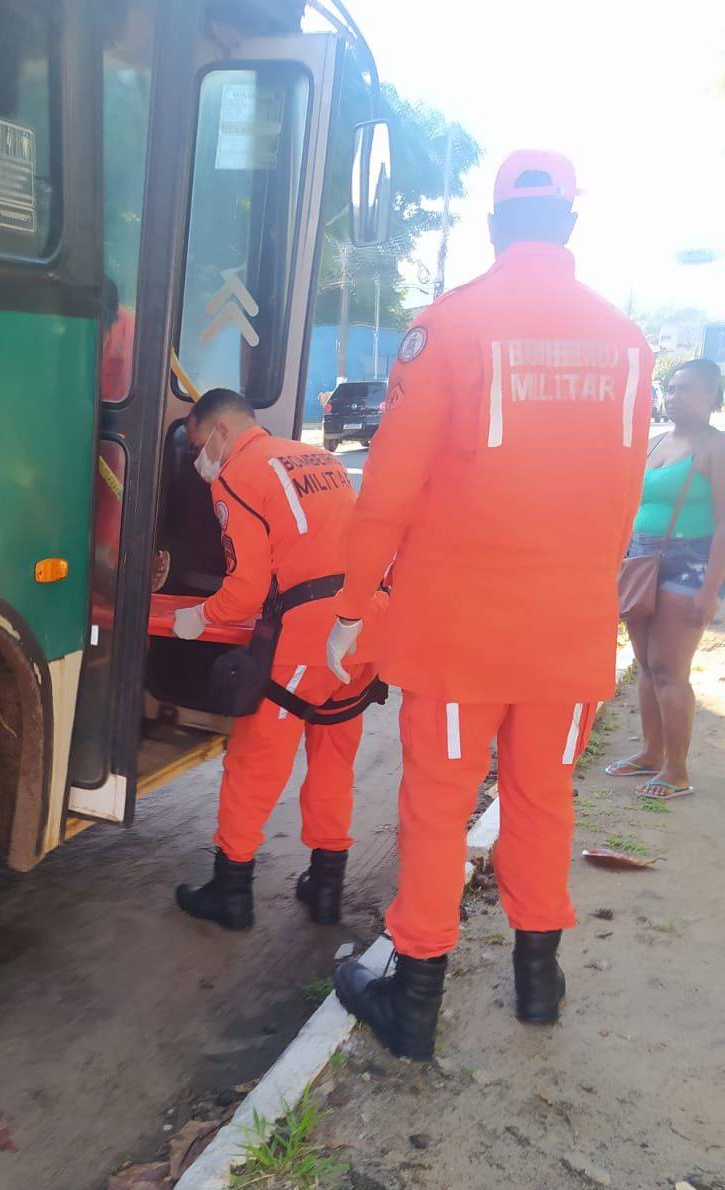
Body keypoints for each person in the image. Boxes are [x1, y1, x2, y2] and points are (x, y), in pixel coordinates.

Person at [325, 150, 653, 1059]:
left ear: (496, 225)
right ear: (572, 227)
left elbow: (386, 491)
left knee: (438, 804)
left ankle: (414, 999)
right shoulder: (627, 342)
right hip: (569, 637)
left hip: (461, 638)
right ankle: (538, 987)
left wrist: (352, 606)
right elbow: (625, 493)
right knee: (543, 800)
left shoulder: (451, 326)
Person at [171, 389, 386, 931]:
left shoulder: (236, 475)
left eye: (198, 444)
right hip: (365, 625)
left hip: (309, 636)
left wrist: (199, 617)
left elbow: (244, 591)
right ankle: (326, 887)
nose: (200, 459)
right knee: (334, 757)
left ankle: (232, 890)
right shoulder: (321, 457)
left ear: (219, 430)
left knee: (255, 762)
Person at [608, 359, 725, 798]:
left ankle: (677, 770)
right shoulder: (655, 444)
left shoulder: (717, 448)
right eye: (671, 389)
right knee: (645, 665)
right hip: (642, 559)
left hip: (689, 564)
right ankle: (650, 753)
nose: (674, 397)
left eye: (688, 389)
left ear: (713, 396)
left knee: (669, 668)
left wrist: (710, 589)